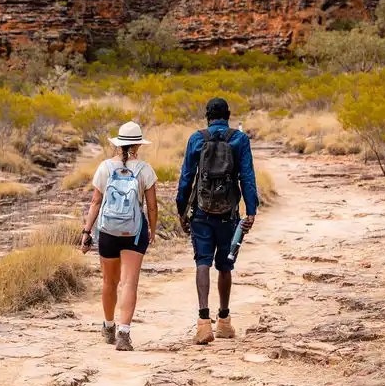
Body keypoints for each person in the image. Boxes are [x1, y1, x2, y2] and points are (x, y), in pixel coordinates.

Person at [176, 97, 258, 345]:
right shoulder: (239, 139)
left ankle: (203, 323)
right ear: (228, 115)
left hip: (201, 212)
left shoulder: (197, 138)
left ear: (207, 116)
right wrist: (251, 210)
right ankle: (223, 321)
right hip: (228, 213)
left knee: (203, 262)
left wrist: (182, 210)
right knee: (225, 265)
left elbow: (186, 177)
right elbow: (247, 177)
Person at [80, 121, 159, 351]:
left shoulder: (104, 167)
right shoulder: (145, 169)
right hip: (134, 233)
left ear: (118, 143)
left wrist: (86, 231)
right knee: (129, 282)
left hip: (107, 231)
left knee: (109, 282)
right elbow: (152, 207)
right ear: (137, 145)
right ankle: (124, 333)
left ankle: (108, 326)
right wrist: (152, 230)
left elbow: (96, 202)